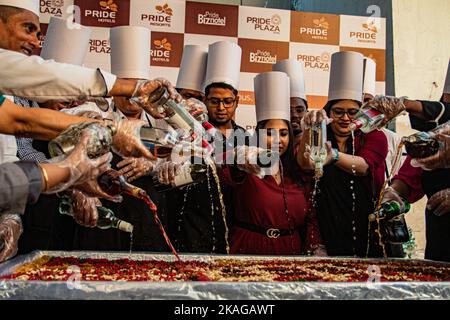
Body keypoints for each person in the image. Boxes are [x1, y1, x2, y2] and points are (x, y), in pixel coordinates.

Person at [159, 41, 249, 253]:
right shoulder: (176, 134)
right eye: (214, 101)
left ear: (236, 102)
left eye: (228, 101)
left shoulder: (245, 138)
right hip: (187, 219)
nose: (221, 108)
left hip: (232, 222)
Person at [220, 71, 322, 255]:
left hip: (291, 250)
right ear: (258, 134)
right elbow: (222, 167)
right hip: (248, 248)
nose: (277, 140)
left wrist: (316, 247)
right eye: (269, 133)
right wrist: (237, 157)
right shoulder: (247, 166)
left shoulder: (298, 173)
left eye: (283, 134)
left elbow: (311, 219)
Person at [297, 51, 388, 257]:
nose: (345, 118)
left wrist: (334, 156)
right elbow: (305, 164)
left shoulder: (373, 136)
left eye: (352, 112)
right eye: (338, 111)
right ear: (329, 112)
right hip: (326, 222)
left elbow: (364, 166)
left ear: (361, 113)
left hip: (366, 223)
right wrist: (308, 130)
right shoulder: (320, 132)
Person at [273, 60, 308, 145]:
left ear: (307, 112)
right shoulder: (270, 146)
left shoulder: (316, 145)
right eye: (288, 110)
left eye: (299, 110)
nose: (294, 115)